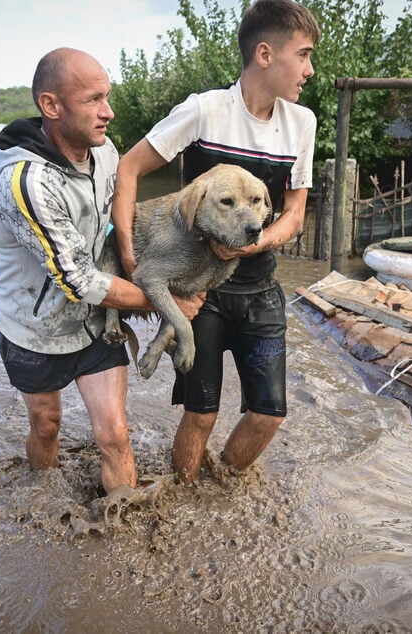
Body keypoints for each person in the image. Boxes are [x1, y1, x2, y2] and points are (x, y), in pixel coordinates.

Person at [113, 0, 320, 484]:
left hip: (260, 290)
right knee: (201, 415)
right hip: (198, 292)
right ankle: (183, 497)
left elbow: (294, 214)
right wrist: (129, 261)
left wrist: (255, 243)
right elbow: (127, 169)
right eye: (304, 55)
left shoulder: (302, 124)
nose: (310, 70)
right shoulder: (204, 111)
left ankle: (223, 488)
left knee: (269, 414)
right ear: (265, 54)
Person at [0, 48, 204, 494]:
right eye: (93, 100)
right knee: (47, 425)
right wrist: (167, 302)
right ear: (51, 106)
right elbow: (78, 281)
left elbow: (126, 219)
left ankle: (122, 535)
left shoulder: (105, 151)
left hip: (94, 325)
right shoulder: (27, 183)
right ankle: (41, 501)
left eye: (107, 97)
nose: (108, 112)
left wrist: (184, 257)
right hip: (36, 331)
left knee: (114, 434)